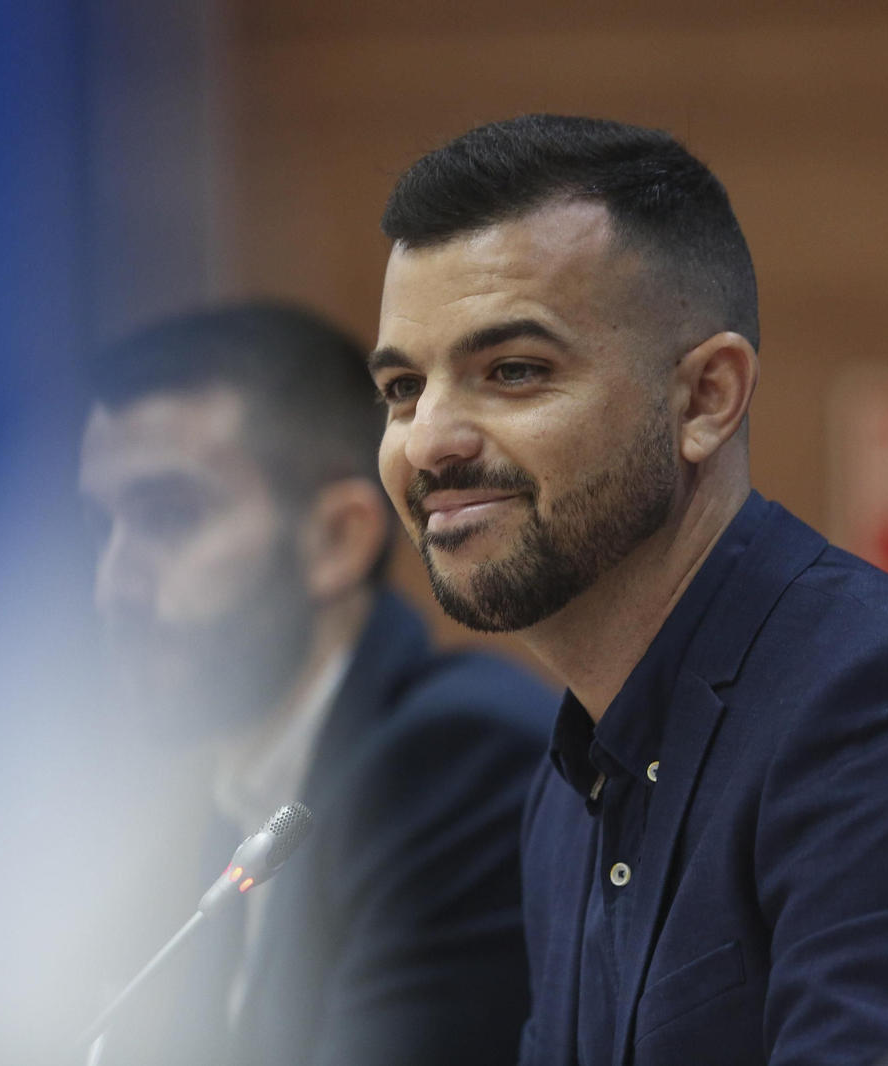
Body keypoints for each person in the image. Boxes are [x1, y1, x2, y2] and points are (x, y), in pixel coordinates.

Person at [368, 114, 888, 1066]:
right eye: (401, 389)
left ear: (706, 398)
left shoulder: (879, 703)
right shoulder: (564, 792)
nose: (427, 441)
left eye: (511, 372)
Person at [77, 303, 554, 1066]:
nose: (113, 588)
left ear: (337, 539)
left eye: (168, 517)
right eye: (103, 529)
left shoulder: (448, 765)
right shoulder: (242, 791)